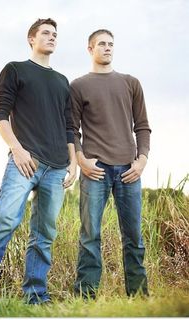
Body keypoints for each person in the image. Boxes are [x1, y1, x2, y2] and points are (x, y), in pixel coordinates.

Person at [0, 18, 76, 305]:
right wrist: (17, 149)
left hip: (56, 168)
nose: (52, 37)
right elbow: (0, 115)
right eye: (46, 33)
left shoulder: (62, 81)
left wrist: (73, 162)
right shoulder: (15, 69)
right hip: (24, 161)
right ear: (31, 38)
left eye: (55, 34)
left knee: (45, 234)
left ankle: (36, 295)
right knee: (5, 220)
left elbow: (69, 126)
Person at [71, 29, 151, 298]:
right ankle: (85, 298)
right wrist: (81, 160)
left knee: (134, 238)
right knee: (90, 236)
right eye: (101, 44)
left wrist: (141, 161)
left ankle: (139, 298)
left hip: (129, 170)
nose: (107, 48)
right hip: (95, 171)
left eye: (111, 44)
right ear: (90, 48)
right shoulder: (78, 85)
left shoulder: (131, 83)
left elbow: (142, 126)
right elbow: (71, 129)